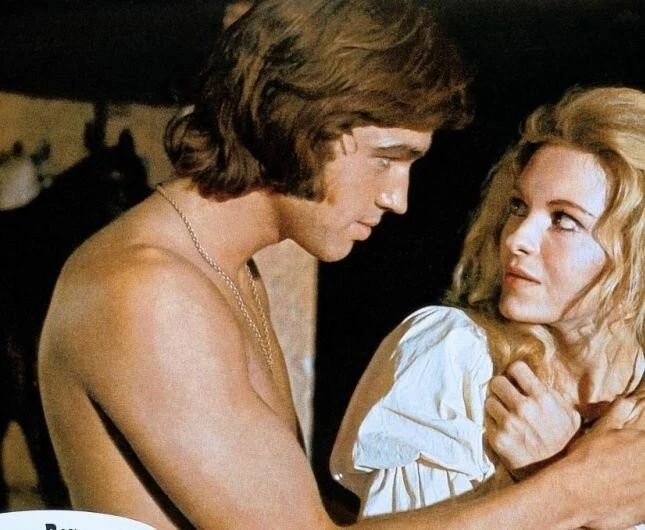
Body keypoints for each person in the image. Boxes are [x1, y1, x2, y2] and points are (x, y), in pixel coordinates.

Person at [37, 0, 645, 527]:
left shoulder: (225, 272)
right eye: (388, 158)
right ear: (304, 123)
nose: (397, 198)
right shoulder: (148, 290)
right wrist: (572, 489)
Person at [331, 85, 645, 524]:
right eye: (518, 206)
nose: (517, 238)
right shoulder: (455, 357)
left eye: (563, 219)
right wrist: (564, 485)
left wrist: (556, 467)